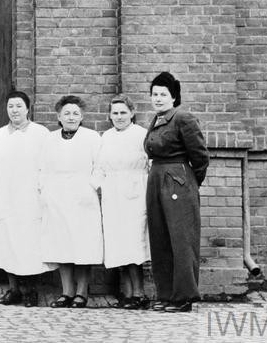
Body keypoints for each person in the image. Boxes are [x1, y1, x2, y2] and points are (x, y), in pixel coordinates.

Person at [144, 72, 209, 313]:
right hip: (156, 180)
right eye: (154, 94)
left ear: (174, 97)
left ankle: (183, 297)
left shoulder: (183, 118)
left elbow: (200, 157)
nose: (158, 98)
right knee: (160, 240)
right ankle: (166, 294)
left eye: (163, 94)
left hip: (177, 182)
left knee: (181, 241)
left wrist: (188, 183)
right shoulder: (157, 119)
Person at [0, 89, 54, 308]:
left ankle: (30, 290)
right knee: (7, 240)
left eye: (18, 106)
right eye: (10, 106)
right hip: (5, 195)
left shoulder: (41, 133)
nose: (14, 110)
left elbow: (47, 166)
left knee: (29, 243)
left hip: (30, 197)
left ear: (27, 108)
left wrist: (42, 192)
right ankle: (13, 289)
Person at [40, 95, 103, 309]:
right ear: (58, 116)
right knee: (61, 244)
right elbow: (42, 168)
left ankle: (82, 292)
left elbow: (101, 167)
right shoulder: (49, 139)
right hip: (57, 199)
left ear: (82, 116)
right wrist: (45, 193)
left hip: (83, 200)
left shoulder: (92, 137)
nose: (71, 117)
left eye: (76, 113)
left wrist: (90, 187)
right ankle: (66, 291)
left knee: (83, 246)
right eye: (66, 113)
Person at [94, 94, 150, 309]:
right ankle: (126, 293)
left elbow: (150, 164)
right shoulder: (106, 137)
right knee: (117, 243)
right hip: (112, 194)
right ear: (109, 115)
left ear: (132, 113)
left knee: (134, 243)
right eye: (115, 113)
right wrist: (89, 188)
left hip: (136, 193)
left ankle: (140, 294)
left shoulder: (142, 135)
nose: (119, 117)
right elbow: (99, 166)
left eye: (123, 113)